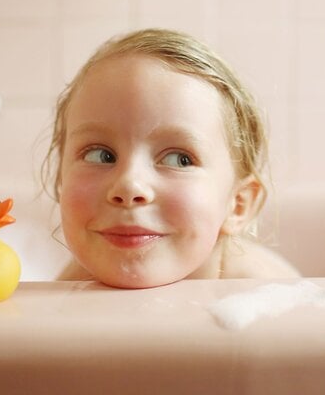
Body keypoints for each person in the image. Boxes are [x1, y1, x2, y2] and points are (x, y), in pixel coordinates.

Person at [41, 28, 299, 288]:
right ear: (61, 179)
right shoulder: (73, 285)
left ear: (238, 204)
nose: (129, 186)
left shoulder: (262, 292)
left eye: (179, 159)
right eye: (100, 155)